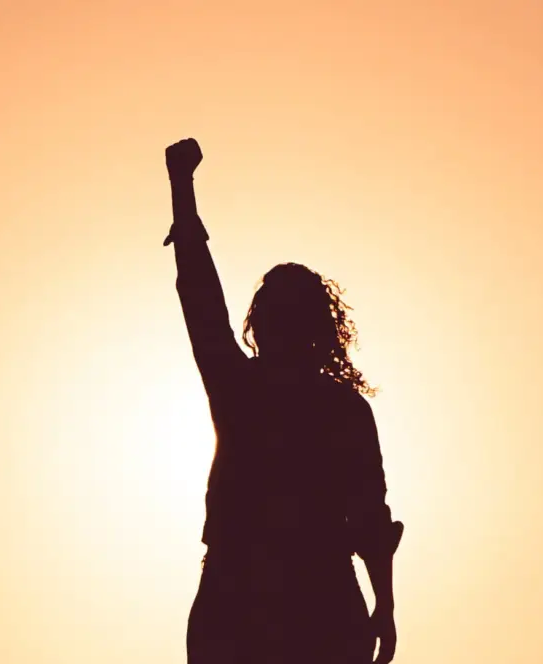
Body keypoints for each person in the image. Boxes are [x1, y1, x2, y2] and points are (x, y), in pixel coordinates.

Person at [164, 138, 403, 664]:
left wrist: (384, 604)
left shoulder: (280, 397)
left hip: (296, 601)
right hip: (259, 598)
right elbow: (199, 294)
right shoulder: (257, 391)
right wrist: (182, 194)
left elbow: (369, 516)